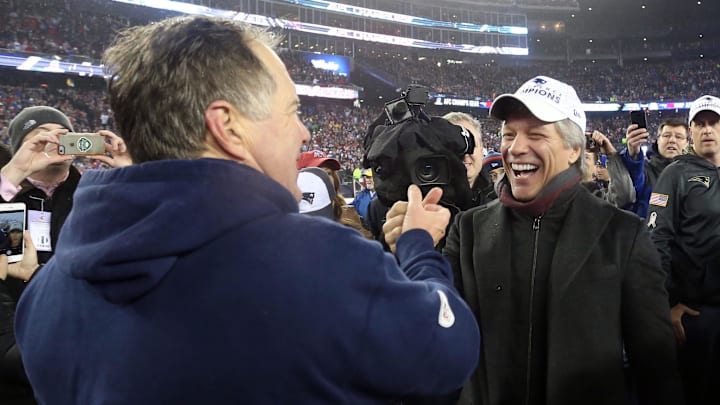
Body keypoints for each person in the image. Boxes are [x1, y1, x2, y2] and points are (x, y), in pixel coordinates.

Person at [14, 16, 480, 404]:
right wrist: (419, 246)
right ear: (228, 127)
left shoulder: (48, 289)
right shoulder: (315, 262)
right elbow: (449, 350)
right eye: (293, 111)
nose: (303, 134)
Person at [384, 75, 683, 405]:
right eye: (509, 134)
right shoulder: (468, 229)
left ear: (573, 150)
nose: (515, 148)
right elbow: (433, 335)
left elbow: (656, 370)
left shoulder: (622, 234)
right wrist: (413, 250)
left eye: (536, 134)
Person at [0, 106, 131, 404]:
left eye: (63, 135)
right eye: (39, 137)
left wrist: (132, 174)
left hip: (84, 341)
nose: (53, 141)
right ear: (20, 148)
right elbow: (3, 268)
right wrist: (14, 171)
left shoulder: (95, 195)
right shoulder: (8, 196)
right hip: (15, 348)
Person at [648, 95, 720, 405]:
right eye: (700, 124)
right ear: (691, 131)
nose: (707, 130)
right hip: (697, 314)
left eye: (714, 123)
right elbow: (655, 238)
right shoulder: (676, 174)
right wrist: (669, 302)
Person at [620, 117, 689, 218]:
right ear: (657, 141)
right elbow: (633, 180)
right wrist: (633, 156)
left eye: (679, 137)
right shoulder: (645, 170)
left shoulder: (695, 174)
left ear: (687, 143)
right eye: (666, 135)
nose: (672, 140)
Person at [443, 112, 494, 206]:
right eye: (455, 146)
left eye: (471, 145)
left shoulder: (502, 202)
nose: (465, 154)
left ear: (482, 150)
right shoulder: (419, 201)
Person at [582, 129, 636, 208]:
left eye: (586, 157)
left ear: (596, 168)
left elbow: (623, 196)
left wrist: (611, 153)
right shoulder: (560, 193)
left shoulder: (597, 199)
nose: (580, 161)